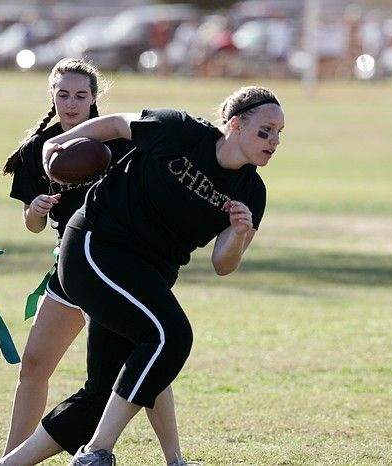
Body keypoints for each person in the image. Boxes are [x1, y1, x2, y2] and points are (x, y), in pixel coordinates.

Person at [42, 85, 284, 465]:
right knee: (170, 336)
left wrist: (238, 234)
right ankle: (96, 452)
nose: (274, 141)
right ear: (235, 124)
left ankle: (10, 463)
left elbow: (223, 264)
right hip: (96, 245)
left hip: (144, 273)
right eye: (265, 131)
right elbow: (119, 125)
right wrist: (57, 144)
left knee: (112, 385)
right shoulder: (180, 129)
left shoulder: (252, 191)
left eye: (279, 134)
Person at [0, 58, 190, 466]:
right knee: (34, 364)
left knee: (147, 357)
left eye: (81, 95)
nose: (71, 103)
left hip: (116, 269)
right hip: (70, 270)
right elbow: (32, 225)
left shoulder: (118, 141)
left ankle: (174, 458)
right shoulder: (39, 148)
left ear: (94, 99)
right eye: (63, 95)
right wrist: (35, 208)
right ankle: (11, 457)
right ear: (52, 96)